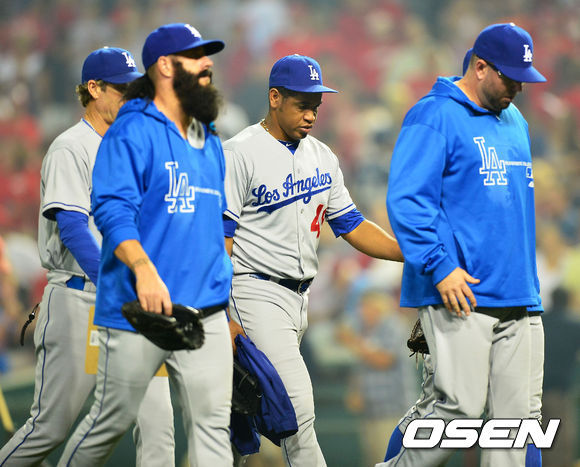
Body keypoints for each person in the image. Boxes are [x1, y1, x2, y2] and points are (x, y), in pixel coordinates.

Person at [58, 24, 233, 466]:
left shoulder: (208, 135)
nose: (207, 64)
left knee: (213, 429)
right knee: (110, 422)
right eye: (196, 56)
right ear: (166, 66)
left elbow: (213, 224)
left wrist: (225, 302)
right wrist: (143, 268)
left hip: (205, 310)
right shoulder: (132, 130)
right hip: (140, 308)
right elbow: (112, 212)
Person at [223, 54, 404, 467]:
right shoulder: (239, 153)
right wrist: (222, 314)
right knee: (298, 410)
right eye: (301, 104)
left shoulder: (322, 155)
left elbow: (352, 224)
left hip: (299, 298)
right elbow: (221, 240)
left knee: (238, 424)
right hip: (254, 291)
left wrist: (407, 254)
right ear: (274, 97)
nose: (310, 114)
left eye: (316, 106)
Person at [0, 47, 175, 467]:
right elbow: (73, 229)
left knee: (159, 425)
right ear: (93, 88)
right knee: (50, 427)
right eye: (122, 89)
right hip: (80, 298)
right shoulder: (71, 147)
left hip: (134, 305)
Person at [381, 22, 546, 467]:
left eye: (523, 79)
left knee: (515, 428)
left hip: (518, 294)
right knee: (459, 413)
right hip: (461, 291)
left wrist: (528, 287)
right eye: (510, 77)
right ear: (480, 67)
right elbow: (407, 200)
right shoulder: (434, 115)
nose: (518, 87)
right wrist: (439, 267)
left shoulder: (515, 120)